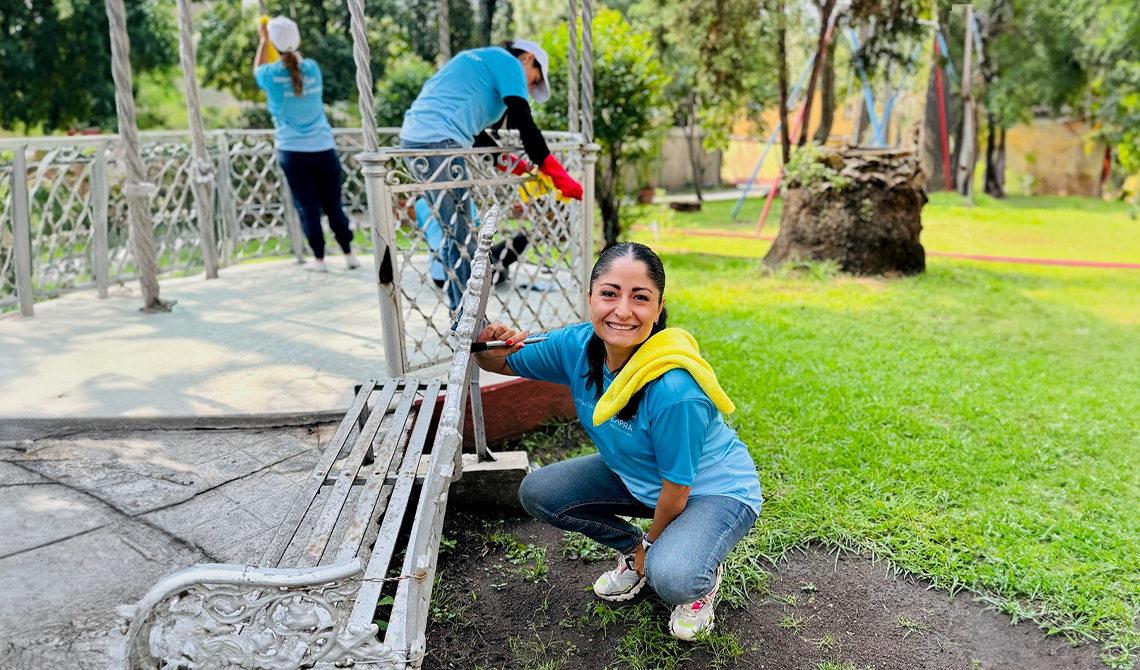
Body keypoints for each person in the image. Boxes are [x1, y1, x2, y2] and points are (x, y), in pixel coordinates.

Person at [472, 243, 763, 641]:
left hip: (710, 492)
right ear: (590, 298)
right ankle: (636, 551)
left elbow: (677, 492)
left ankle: (699, 579)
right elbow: (500, 361)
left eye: (640, 298)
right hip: (638, 478)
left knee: (673, 577)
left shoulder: (675, 388)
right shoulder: (577, 346)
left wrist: (651, 543)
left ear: (658, 308)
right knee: (539, 491)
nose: (623, 311)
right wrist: (490, 345)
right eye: (609, 294)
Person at [400, 39, 584, 310]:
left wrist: (517, 165)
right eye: (535, 81)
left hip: (417, 144)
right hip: (439, 147)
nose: (530, 87)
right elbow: (526, 124)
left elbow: (476, 136)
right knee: (463, 239)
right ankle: (468, 320)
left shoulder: (483, 59)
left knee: (456, 233)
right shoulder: (509, 63)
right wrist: (558, 175)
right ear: (528, 59)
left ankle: (462, 313)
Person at [255, 16, 359, 273]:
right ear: (299, 40)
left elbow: (258, 67)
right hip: (323, 148)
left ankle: (320, 260)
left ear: (273, 43)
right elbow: (294, 65)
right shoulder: (313, 68)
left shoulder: (269, 74)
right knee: (333, 203)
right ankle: (348, 254)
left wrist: (263, 40)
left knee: (308, 207)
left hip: (292, 151)